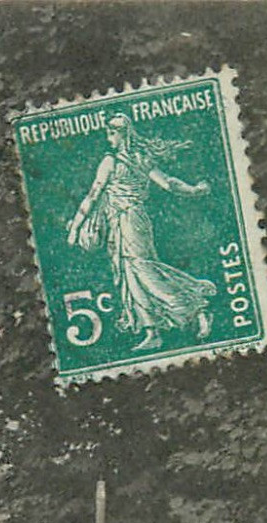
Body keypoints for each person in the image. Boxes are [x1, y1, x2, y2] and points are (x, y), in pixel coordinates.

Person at [67, 111, 217, 352]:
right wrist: (195, 190)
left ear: (120, 134)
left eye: (111, 132)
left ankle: (195, 308)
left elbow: (92, 196)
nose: (108, 138)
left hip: (129, 220)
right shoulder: (141, 159)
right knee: (131, 274)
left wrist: (75, 228)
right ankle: (152, 332)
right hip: (128, 221)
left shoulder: (111, 161)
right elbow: (170, 184)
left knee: (142, 269)